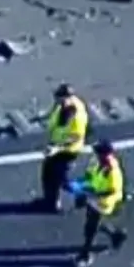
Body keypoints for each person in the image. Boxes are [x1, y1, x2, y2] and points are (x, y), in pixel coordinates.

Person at [74, 139, 128, 267]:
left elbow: (111, 190)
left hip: (103, 202)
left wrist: (89, 196)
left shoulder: (113, 172)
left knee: (90, 228)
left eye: (98, 152)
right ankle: (115, 234)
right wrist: (81, 188)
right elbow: (89, 175)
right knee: (92, 224)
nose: (96, 154)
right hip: (92, 197)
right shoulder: (95, 161)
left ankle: (85, 255)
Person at [38, 83, 88, 212]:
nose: (56, 100)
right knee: (47, 175)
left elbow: (75, 137)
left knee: (61, 180)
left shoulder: (76, 117)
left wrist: (57, 148)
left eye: (59, 98)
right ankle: (49, 200)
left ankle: (79, 195)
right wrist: (46, 116)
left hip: (67, 152)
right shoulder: (62, 103)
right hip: (55, 145)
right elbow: (55, 108)